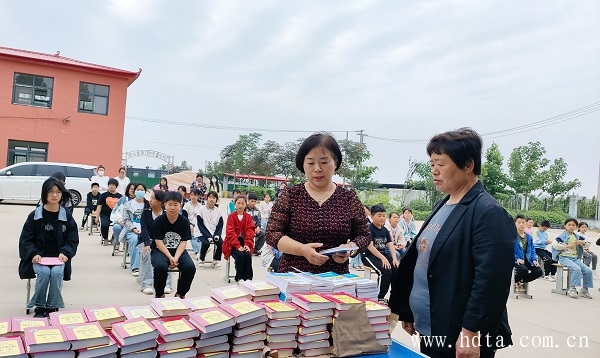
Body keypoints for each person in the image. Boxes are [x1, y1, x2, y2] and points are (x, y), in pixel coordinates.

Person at [389, 128, 514, 358]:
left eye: (441, 164)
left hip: (459, 334)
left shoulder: (488, 212)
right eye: (432, 164)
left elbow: (491, 282)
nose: (434, 171)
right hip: (431, 325)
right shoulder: (444, 203)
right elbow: (423, 261)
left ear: (468, 164)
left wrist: (470, 332)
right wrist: (409, 309)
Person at [266, 133, 370, 275]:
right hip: (294, 277)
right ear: (302, 164)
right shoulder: (290, 195)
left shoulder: (348, 198)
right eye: (310, 163)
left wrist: (350, 248)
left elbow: (364, 236)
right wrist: (302, 250)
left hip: (335, 279)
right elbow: (272, 234)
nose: (317, 169)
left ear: (335, 162)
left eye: (324, 162)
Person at [19, 177, 79, 318]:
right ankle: (40, 306)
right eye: (50, 191)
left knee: (57, 272)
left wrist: (65, 252)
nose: (54, 195)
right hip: (38, 258)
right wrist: (33, 254)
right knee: (44, 272)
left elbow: (73, 239)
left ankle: (52, 307)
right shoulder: (34, 216)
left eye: (58, 192)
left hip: (58, 258)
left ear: (62, 195)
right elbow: (25, 240)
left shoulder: (67, 216)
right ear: (44, 194)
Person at [150, 191, 196, 298]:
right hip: (160, 250)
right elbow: (158, 242)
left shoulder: (184, 222)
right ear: (164, 204)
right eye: (169, 204)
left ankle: (180, 294)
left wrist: (176, 257)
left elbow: (183, 242)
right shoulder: (159, 221)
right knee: (160, 267)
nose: (172, 208)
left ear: (181, 205)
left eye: (175, 205)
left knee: (190, 267)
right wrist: (170, 257)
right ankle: (160, 294)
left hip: (178, 251)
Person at [361, 204, 399, 302]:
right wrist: (383, 258)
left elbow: (390, 244)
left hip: (382, 255)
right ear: (372, 216)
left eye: (383, 215)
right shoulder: (369, 229)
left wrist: (394, 258)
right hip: (369, 256)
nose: (382, 218)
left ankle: (394, 296)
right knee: (385, 271)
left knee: (396, 268)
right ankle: (379, 297)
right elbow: (370, 246)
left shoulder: (385, 229)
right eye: (379, 215)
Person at [138, 190, 172, 295]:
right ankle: (146, 284)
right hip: (146, 241)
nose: (150, 200)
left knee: (168, 254)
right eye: (150, 198)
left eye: (153, 198)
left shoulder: (166, 214)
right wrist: (148, 243)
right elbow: (144, 230)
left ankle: (167, 283)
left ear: (161, 202)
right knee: (147, 252)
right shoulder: (146, 212)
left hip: (162, 242)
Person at [552, 218, 594, 299]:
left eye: (573, 225)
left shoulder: (577, 236)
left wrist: (583, 243)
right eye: (569, 225)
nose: (571, 227)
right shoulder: (562, 236)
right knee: (576, 268)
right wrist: (566, 246)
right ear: (565, 226)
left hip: (574, 258)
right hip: (564, 257)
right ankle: (572, 288)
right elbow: (555, 245)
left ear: (576, 227)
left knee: (588, 270)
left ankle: (584, 290)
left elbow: (588, 244)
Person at [118, 183, 148, 277]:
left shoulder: (148, 204)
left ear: (145, 191)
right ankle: (135, 267)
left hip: (146, 230)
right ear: (134, 191)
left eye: (141, 189)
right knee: (135, 240)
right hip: (131, 231)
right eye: (137, 190)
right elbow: (126, 220)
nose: (140, 191)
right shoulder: (128, 204)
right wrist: (134, 229)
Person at [224, 195, 255, 281]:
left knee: (248, 255)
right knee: (240, 256)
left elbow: (250, 231)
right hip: (232, 243)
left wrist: (247, 244)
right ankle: (239, 277)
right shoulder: (231, 217)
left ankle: (248, 278)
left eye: (242, 203)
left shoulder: (248, 217)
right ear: (235, 204)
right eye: (238, 203)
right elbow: (230, 233)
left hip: (245, 242)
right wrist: (238, 246)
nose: (240, 205)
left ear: (246, 205)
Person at [513, 214, 543, 289]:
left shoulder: (529, 236)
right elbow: (508, 250)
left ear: (526, 223)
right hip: (514, 259)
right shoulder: (511, 236)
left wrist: (534, 260)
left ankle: (521, 281)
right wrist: (516, 259)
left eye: (523, 222)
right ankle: (509, 284)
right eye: (519, 222)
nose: (521, 224)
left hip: (527, 259)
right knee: (523, 270)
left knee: (538, 271)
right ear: (515, 223)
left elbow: (532, 250)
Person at [197, 191, 224, 269]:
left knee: (221, 243)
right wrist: (208, 236)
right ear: (207, 198)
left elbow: (220, 225)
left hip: (214, 233)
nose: (211, 199)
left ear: (216, 200)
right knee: (206, 243)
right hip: (202, 232)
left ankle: (216, 260)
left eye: (214, 198)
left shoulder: (218, 211)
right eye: (210, 197)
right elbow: (200, 225)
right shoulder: (201, 209)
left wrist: (217, 235)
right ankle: (201, 260)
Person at [94, 179, 122, 245]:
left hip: (116, 215)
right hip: (105, 214)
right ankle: (105, 238)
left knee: (117, 227)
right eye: (110, 185)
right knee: (104, 226)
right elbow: (99, 206)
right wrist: (97, 217)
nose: (111, 186)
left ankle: (113, 238)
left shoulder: (119, 196)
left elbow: (121, 208)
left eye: (113, 185)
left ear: (116, 186)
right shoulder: (103, 195)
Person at [110, 182, 136, 247]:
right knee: (116, 227)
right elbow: (115, 211)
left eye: (134, 189)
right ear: (128, 190)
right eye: (131, 189)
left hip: (134, 223)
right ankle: (116, 243)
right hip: (122, 222)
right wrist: (120, 220)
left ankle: (128, 245)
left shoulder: (140, 201)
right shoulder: (122, 200)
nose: (132, 191)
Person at [182, 188, 203, 260]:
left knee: (200, 235)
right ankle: (199, 251)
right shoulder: (186, 205)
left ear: (198, 196)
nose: (193, 197)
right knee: (192, 234)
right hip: (188, 224)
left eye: (195, 195)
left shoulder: (201, 206)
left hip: (198, 225)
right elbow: (184, 217)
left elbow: (202, 219)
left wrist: (197, 226)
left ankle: (201, 250)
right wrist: (190, 225)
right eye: (191, 195)